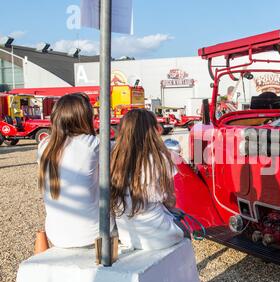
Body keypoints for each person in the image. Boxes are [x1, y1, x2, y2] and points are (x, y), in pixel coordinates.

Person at [110, 109, 184, 251]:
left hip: (127, 237)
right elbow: (170, 200)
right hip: (158, 237)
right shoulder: (161, 158)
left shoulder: (113, 159)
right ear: (151, 131)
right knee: (185, 230)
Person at [38, 94, 100, 249]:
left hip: (56, 234)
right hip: (92, 233)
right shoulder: (93, 144)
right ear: (84, 117)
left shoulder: (44, 145)